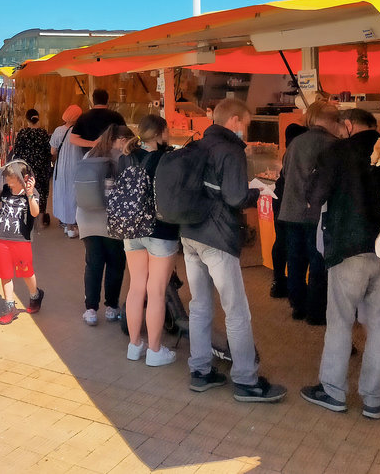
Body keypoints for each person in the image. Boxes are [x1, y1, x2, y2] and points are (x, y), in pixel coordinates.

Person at [180, 99, 286, 403]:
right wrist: (260, 191)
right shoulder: (231, 151)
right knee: (236, 310)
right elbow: (236, 196)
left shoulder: (197, 144)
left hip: (190, 234)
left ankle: (199, 371)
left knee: (199, 305)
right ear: (234, 121)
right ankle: (246, 380)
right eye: (246, 123)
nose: (246, 129)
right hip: (218, 238)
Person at [302, 108, 380, 419]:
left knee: (341, 321)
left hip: (348, 249)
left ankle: (332, 391)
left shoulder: (336, 153)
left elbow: (315, 195)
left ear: (347, 125)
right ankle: (375, 401)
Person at [121, 115, 181, 366]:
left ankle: (134, 346)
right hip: (160, 229)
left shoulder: (127, 156)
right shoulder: (167, 159)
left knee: (136, 288)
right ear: (161, 133)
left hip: (131, 228)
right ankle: (155, 351)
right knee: (155, 292)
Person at [279, 102, 342, 325]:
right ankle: (316, 311)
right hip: (317, 213)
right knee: (318, 262)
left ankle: (297, 305)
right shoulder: (333, 145)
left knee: (295, 260)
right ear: (332, 122)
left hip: (290, 210)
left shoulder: (296, 142)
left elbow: (284, 172)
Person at [78, 124, 131, 326]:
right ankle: (111, 307)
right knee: (115, 263)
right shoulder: (120, 158)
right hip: (111, 219)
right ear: (121, 140)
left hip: (86, 216)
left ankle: (90, 310)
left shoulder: (90, 154)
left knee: (93, 263)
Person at [0, 160, 44, 325]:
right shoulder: (4, 191)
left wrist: (31, 194)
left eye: (12, 179)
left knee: (26, 272)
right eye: (7, 179)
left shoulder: (31, 193)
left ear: (23, 178)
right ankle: (10, 306)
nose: (9, 182)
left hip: (22, 240)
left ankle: (35, 295)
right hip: (3, 238)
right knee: (5, 273)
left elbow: (35, 212)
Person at [269, 122, 309, 298]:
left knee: (281, 242)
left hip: (279, 199)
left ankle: (278, 281)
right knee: (294, 247)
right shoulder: (299, 151)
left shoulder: (289, 151)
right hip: (291, 202)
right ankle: (292, 287)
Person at [12, 108, 52, 226]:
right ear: (38, 119)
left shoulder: (22, 133)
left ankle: (26, 220)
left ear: (27, 120)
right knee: (42, 193)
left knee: (26, 191)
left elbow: (17, 151)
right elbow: (49, 151)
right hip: (42, 168)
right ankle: (40, 220)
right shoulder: (43, 133)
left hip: (26, 169)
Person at [50, 104, 83, 237]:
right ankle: (72, 227)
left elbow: (53, 151)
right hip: (77, 165)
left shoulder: (58, 130)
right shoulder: (81, 131)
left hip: (62, 166)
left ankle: (67, 225)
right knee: (75, 195)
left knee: (63, 194)